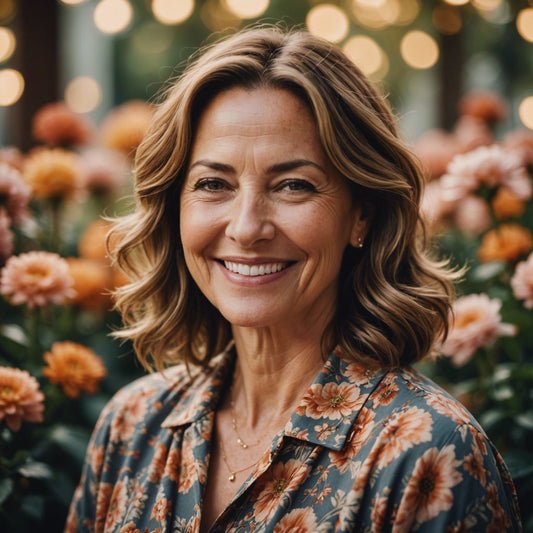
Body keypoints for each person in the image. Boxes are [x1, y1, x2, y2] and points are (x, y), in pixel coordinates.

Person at [66, 26, 522, 532]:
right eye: (213, 184)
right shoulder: (131, 426)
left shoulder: (428, 454)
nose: (246, 227)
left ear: (361, 215)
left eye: (293, 185)